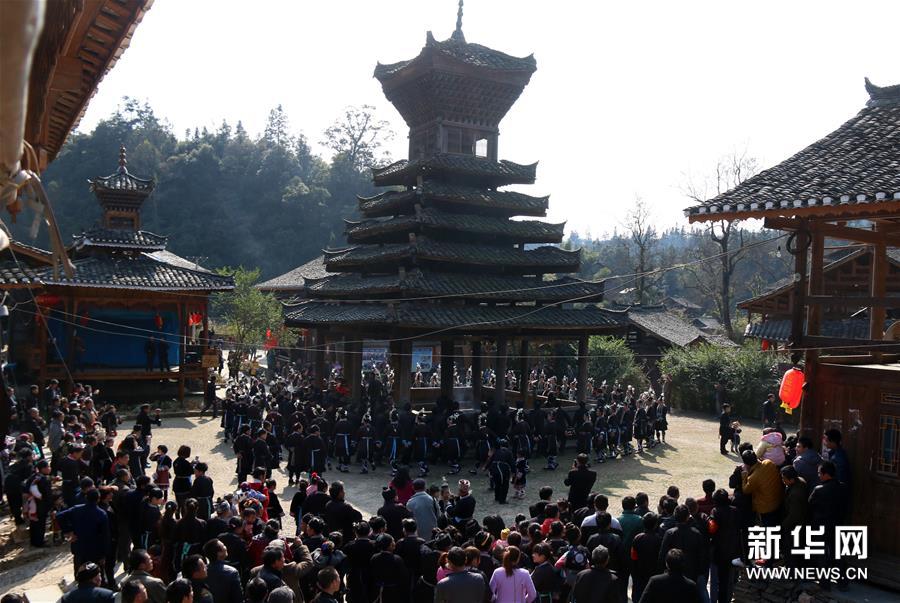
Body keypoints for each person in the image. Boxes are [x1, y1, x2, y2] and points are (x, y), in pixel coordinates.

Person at [740, 450, 783, 526]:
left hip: (766, 508)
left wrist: (744, 477)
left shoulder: (753, 477)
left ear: (746, 464)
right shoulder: (769, 462)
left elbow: (745, 490)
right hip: (779, 500)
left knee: (768, 526)